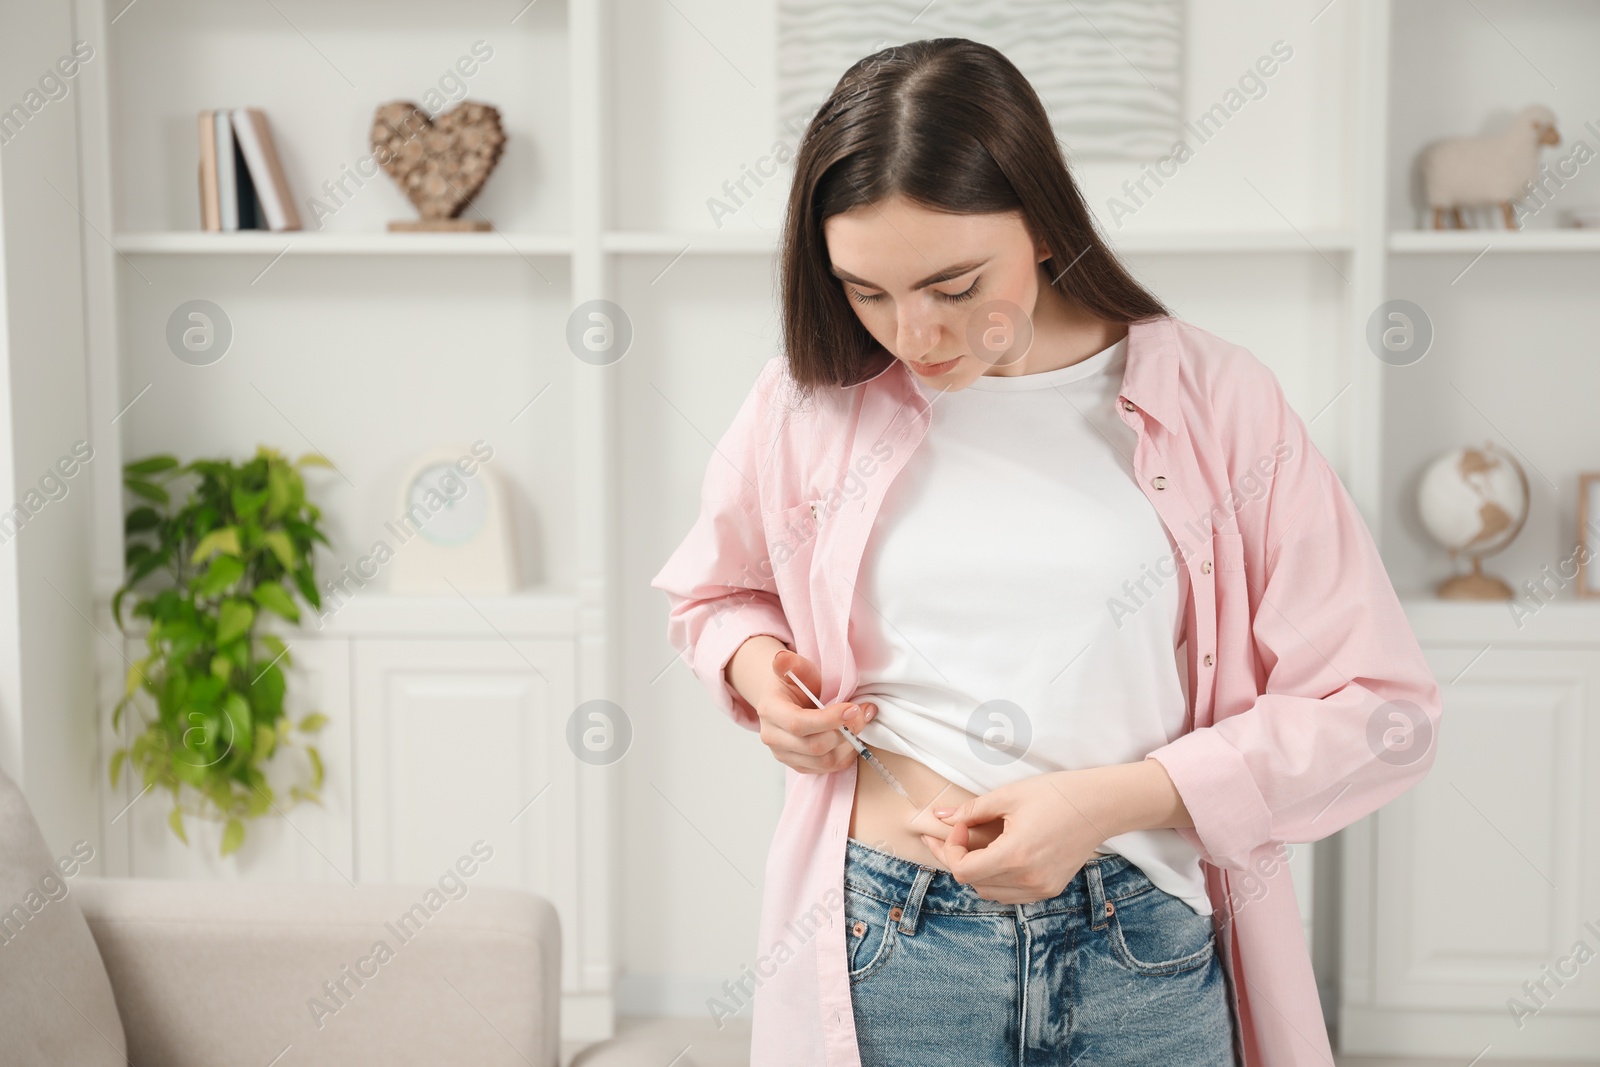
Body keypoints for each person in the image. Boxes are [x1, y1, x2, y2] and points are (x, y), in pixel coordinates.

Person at [650, 37, 1441, 1067]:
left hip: (1141, 940)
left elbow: (1381, 710)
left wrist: (1108, 801)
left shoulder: (1217, 400)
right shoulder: (805, 402)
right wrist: (761, 675)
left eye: (951, 281)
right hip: (890, 940)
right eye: (865, 291)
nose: (911, 332)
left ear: (1041, 223)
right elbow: (718, 592)